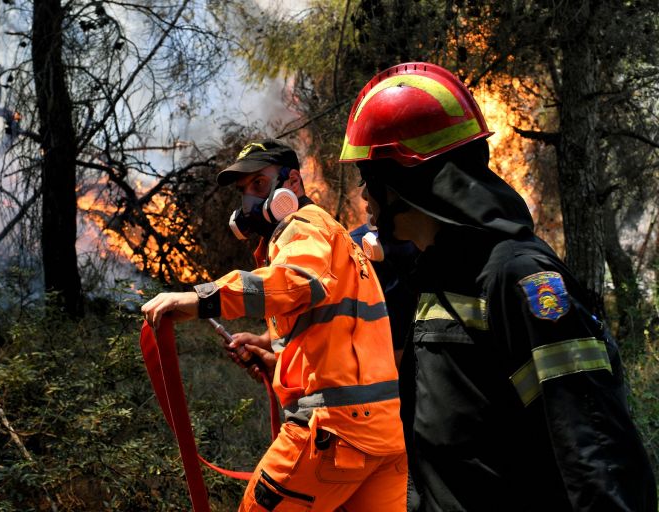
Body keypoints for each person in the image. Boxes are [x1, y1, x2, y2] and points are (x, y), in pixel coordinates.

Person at [338, 62, 657, 511]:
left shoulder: (518, 277)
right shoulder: (439, 277)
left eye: (370, 178)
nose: (364, 197)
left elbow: (594, 453)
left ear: (410, 182)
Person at [142, 139, 409, 511]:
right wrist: (270, 348)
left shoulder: (300, 225)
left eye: (259, 185)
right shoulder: (333, 233)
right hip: (382, 434)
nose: (249, 200)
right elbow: (330, 326)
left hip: (333, 432)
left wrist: (200, 300)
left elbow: (297, 280)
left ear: (293, 183)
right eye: (243, 191)